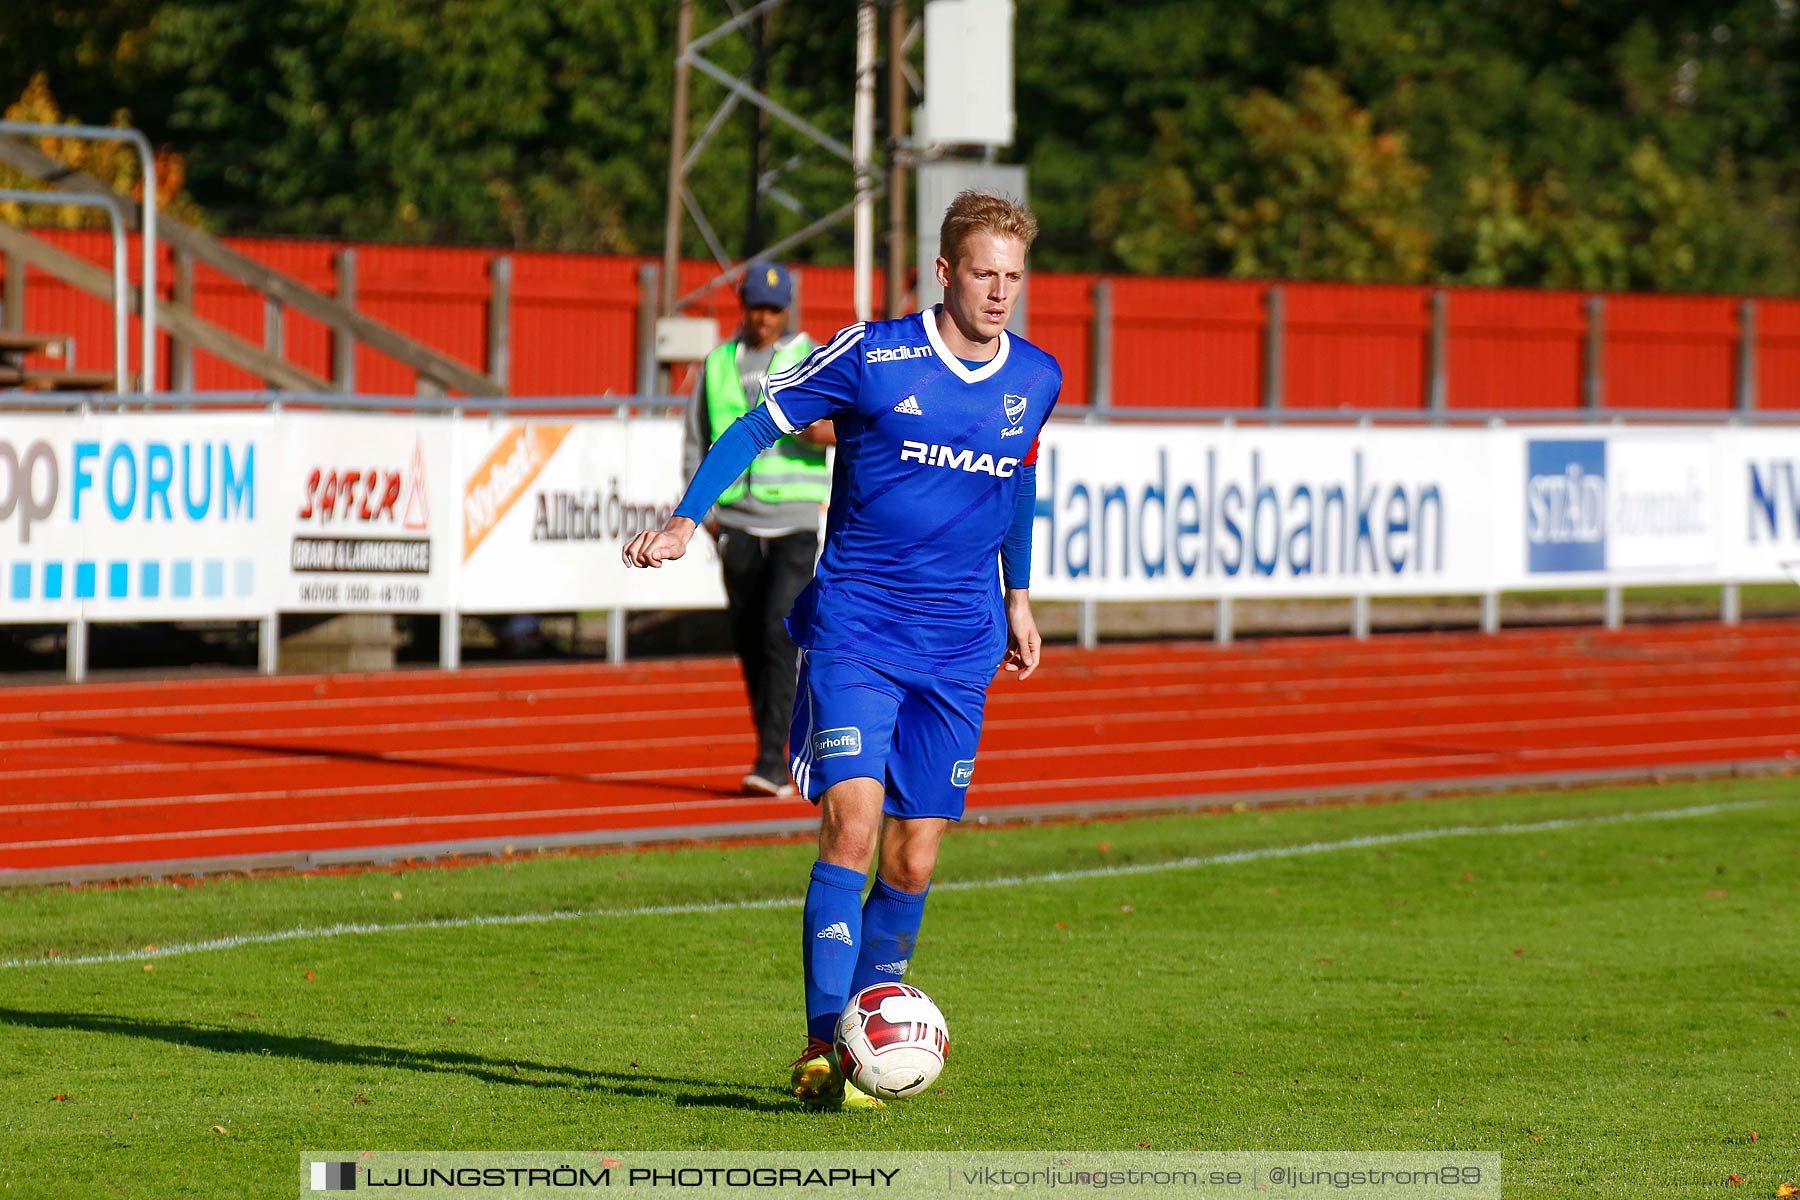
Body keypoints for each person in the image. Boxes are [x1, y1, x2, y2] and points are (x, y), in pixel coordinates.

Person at [624, 191, 1059, 1111]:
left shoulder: (1038, 377)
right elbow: (754, 423)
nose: (999, 292)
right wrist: (683, 520)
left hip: (960, 647)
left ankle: (871, 1018)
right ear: (945, 271)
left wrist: (1019, 593)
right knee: (853, 826)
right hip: (858, 628)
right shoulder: (873, 354)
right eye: (984, 272)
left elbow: (1018, 479)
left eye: (1014, 276)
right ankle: (826, 1045)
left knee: (913, 862)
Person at [683, 262, 834, 797]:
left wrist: (820, 433)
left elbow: (838, 426)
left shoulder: (812, 356)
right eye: (755, 307)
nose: (763, 317)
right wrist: (701, 513)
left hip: (792, 517)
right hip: (737, 522)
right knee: (749, 639)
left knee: (778, 631)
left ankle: (777, 759)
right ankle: (772, 747)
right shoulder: (718, 363)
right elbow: (696, 438)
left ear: (786, 309)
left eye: (772, 309)